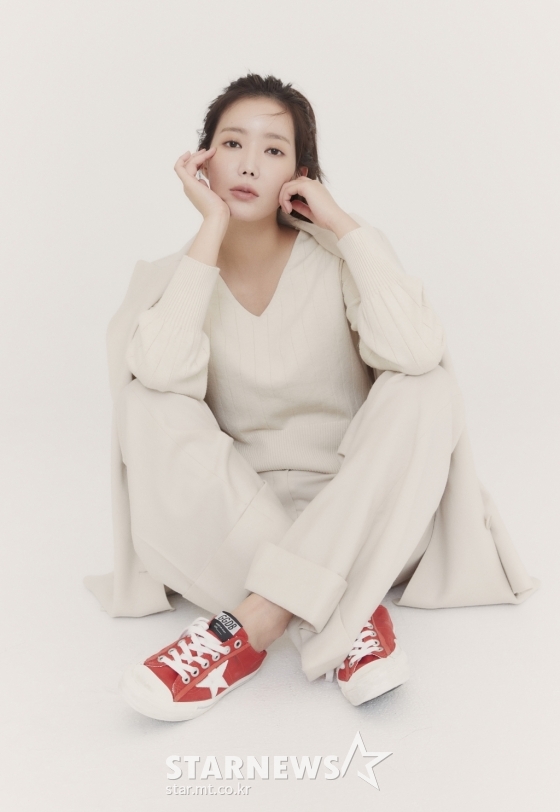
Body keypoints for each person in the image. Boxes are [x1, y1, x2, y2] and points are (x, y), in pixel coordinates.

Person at [86, 73, 539, 722]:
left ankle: (250, 625)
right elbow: (161, 373)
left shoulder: (343, 258)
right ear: (203, 160)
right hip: (233, 520)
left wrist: (345, 226)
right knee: (145, 400)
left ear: (299, 173)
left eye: (273, 150)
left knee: (427, 385)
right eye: (232, 144)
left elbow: (416, 349)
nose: (249, 164)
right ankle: (347, 612)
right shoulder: (176, 279)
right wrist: (210, 228)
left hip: (361, 510)